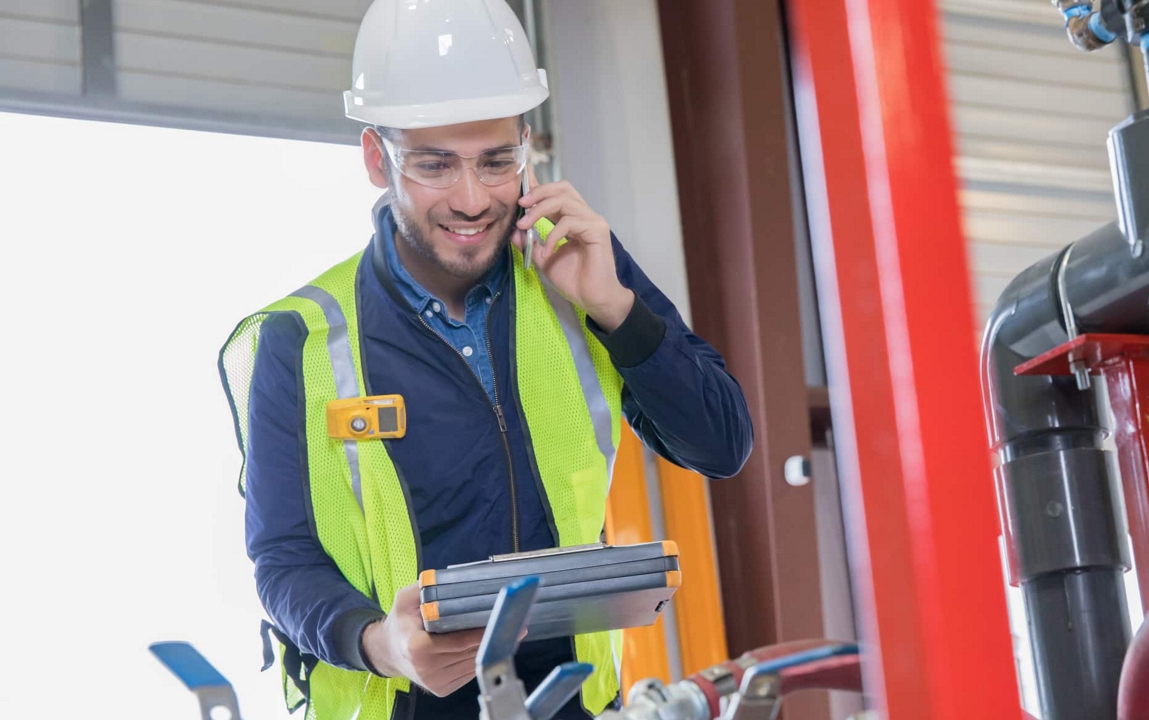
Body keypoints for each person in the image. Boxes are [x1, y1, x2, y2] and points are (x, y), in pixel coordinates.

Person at [217, 1, 753, 718]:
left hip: (571, 704)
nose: (472, 199)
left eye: (497, 162)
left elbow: (721, 444)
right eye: (434, 165)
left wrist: (616, 310)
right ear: (378, 159)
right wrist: (381, 644)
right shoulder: (300, 338)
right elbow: (283, 562)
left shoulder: (580, 270)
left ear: (527, 147)